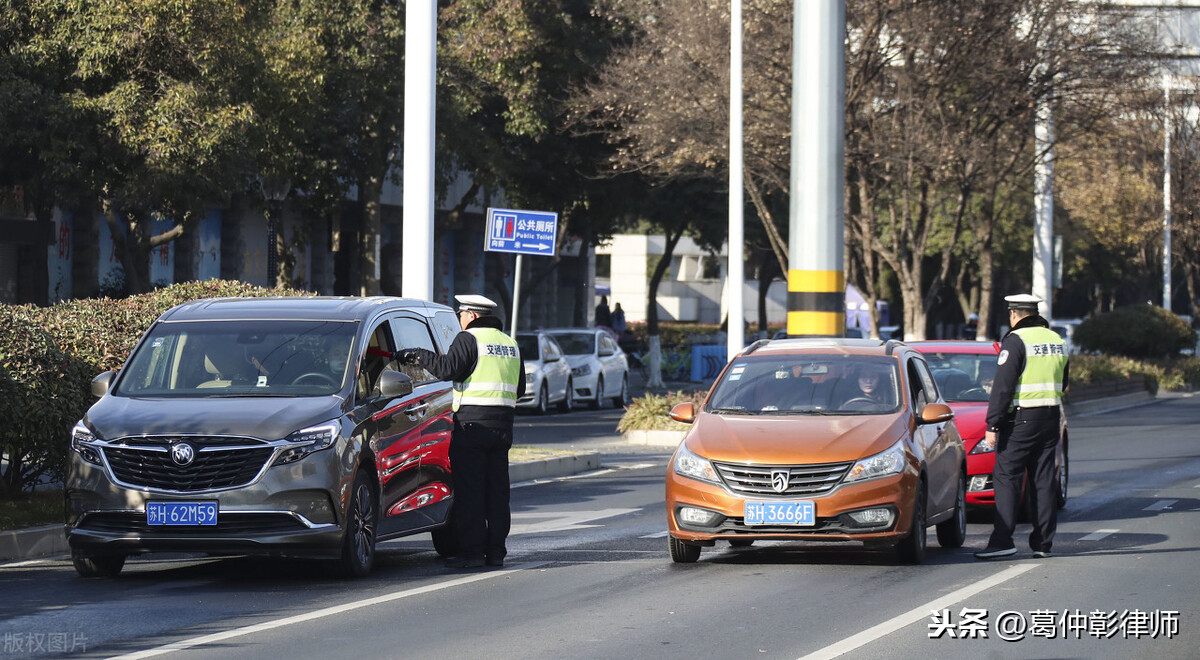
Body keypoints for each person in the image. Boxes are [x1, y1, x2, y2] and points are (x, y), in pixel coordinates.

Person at [394, 294, 526, 569]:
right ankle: (496, 552)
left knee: (470, 491)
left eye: (461, 314)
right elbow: (520, 388)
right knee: (497, 492)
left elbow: (447, 369)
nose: (459, 319)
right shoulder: (510, 344)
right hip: (503, 428)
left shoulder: (470, 339)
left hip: (472, 426)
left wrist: (419, 355)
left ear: (473, 316)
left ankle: (473, 553)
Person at [975, 293, 1069, 560]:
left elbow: (1003, 387)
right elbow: (1064, 383)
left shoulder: (1016, 340)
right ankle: (1042, 544)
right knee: (1043, 480)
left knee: (1006, 477)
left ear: (1014, 314)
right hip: (1050, 418)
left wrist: (993, 424)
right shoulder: (1057, 340)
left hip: (1020, 421)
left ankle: (1002, 541)